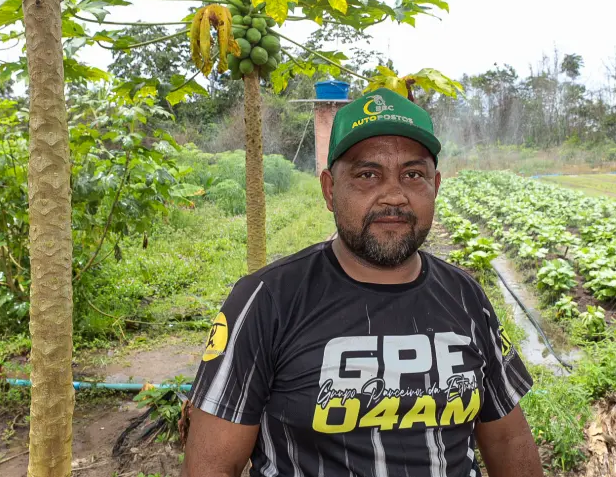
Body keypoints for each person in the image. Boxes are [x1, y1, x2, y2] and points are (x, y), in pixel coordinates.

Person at [182, 88, 543, 477]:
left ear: (435, 186)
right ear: (329, 190)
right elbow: (212, 466)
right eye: (367, 174)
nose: (394, 196)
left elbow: (508, 440)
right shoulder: (267, 301)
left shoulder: (466, 296)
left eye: (413, 174)